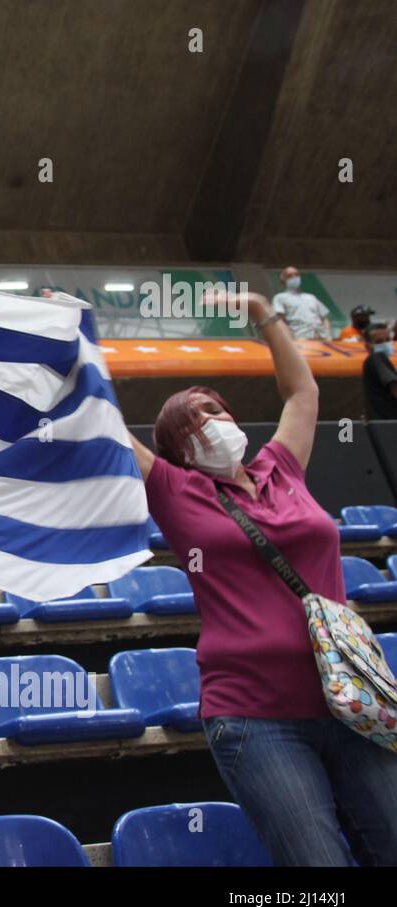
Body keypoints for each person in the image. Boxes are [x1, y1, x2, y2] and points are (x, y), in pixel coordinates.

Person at [127, 290, 397, 865]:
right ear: (178, 450)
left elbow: (303, 391)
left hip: (351, 701)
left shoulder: (282, 467)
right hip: (256, 717)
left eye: (215, 411)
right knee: (318, 869)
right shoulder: (178, 493)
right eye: (193, 422)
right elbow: (104, 430)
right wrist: (67, 344)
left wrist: (259, 310)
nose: (212, 423)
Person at [271, 265, 331, 340]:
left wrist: (328, 335)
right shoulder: (280, 298)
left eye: (296, 274)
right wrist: (290, 338)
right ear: (283, 280)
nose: (294, 277)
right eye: (290, 276)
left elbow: (325, 317)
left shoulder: (311, 297)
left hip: (321, 338)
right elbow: (280, 321)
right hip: (300, 338)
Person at [361, 322, 397, 420]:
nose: (385, 344)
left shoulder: (371, 363)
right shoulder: (377, 357)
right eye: (379, 341)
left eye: (387, 340)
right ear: (368, 347)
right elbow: (395, 388)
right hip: (388, 425)